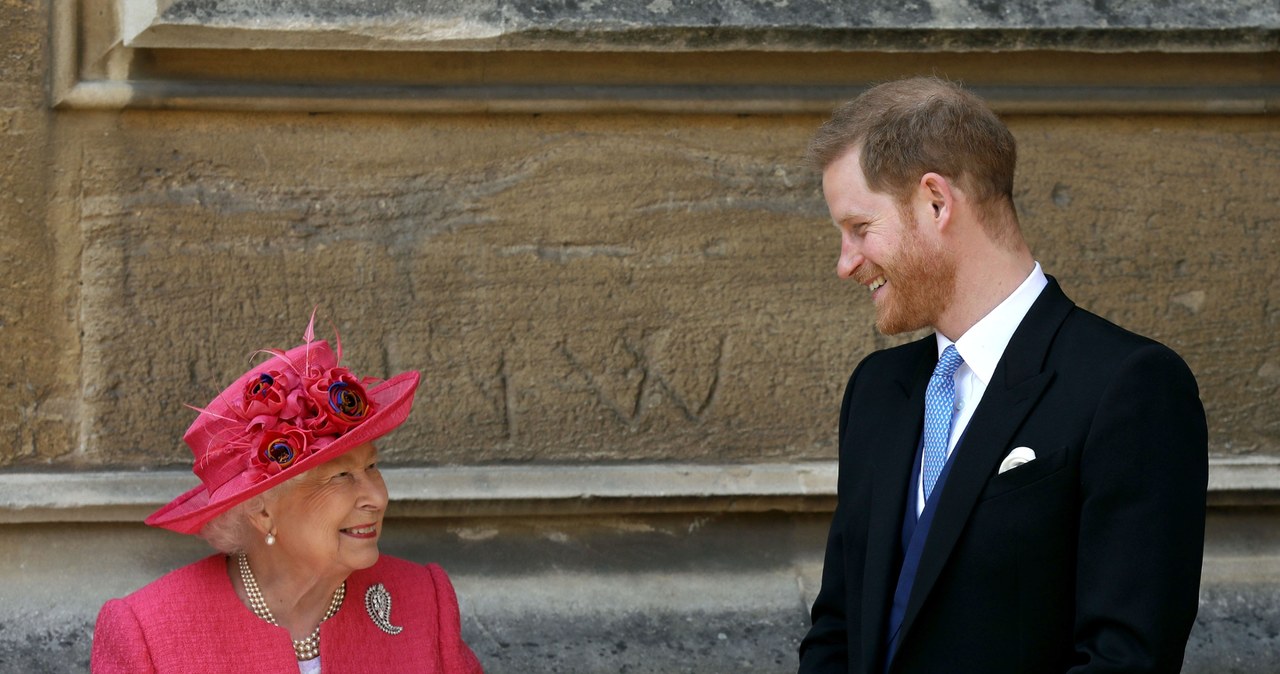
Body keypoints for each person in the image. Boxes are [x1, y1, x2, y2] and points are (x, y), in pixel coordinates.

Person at [797, 77, 1207, 674]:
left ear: (936, 202)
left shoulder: (1130, 386)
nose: (846, 264)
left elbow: (1126, 659)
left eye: (860, 228)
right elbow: (836, 627)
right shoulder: (877, 391)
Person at [91, 315, 484, 673]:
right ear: (262, 512)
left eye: (371, 467)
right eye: (341, 475)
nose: (377, 498)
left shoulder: (423, 600)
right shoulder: (149, 635)